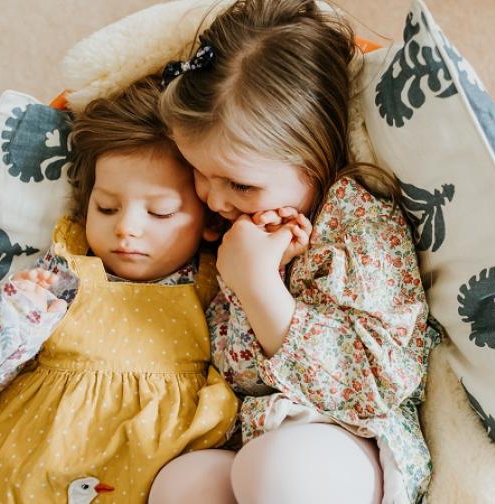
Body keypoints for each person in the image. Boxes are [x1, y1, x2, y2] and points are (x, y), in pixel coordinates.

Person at [148, 1, 435, 503]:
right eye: (199, 171)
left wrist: (259, 287)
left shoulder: (360, 221)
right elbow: (232, 369)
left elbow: (380, 382)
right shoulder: (233, 231)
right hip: (259, 432)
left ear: (315, 154)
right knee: (182, 484)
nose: (214, 199)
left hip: (353, 438)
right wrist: (255, 272)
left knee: (275, 469)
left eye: (239, 183)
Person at [0, 76, 239, 503]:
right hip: (39, 460)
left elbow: (246, 377)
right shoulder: (62, 273)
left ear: (210, 220)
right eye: (107, 207)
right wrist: (13, 322)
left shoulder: (214, 286)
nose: (127, 228)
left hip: (156, 466)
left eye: (160, 212)